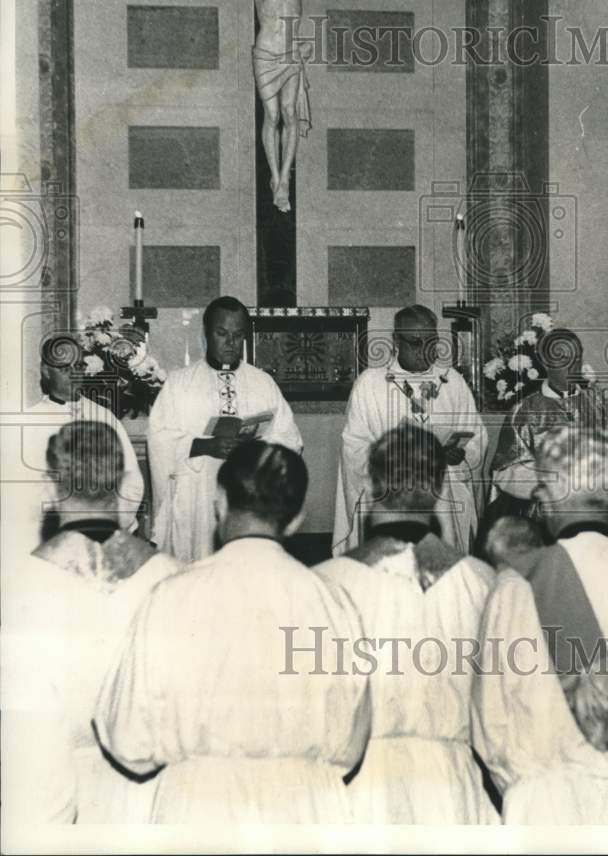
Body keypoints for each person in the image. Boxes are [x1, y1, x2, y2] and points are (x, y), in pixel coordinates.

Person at [94, 441, 370, 823]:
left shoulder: (172, 594)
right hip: (304, 807)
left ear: (219, 503)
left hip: (199, 807)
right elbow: (350, 744)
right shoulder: (332, 601)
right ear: (297, 519)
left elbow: (129, 737)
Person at [472, 428, 608, 825]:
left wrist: (530, 789)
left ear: (549, 495)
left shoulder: (517, 584)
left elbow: (491, 722)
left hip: (547, 806)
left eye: (541, 484)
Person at [317, 423, 498, 824]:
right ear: (437, 486)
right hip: (453, 788)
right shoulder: (481, 581)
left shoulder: (327, 583)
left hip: (359, 790)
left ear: (372, 482)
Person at [3, 422, 179, 827]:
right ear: (119, 480)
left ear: (51, 486)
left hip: (64, 802)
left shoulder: (25, 586)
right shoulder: (168, 575)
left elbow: (33, 740)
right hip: (155, 803)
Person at [159, 0, 391, 212]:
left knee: (290, 113)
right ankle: (275, 174)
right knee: (272, 115)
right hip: (266, 57)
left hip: (291, 56)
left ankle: (284, 182)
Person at [148, 296, 302, 563]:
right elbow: (159, 440)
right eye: (222, 334)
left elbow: (291, 440)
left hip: (251, 500)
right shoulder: (179, 383)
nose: (231, 343)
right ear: (207, 334)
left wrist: (256, 448)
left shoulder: (262, 382)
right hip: (198, 497)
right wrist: (204, 445)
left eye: (238, 335)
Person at [333, 304, 487, 556]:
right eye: (415, 342)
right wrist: (394, 457)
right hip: (388, 494)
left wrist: (460, 456)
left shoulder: (453, 382)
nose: (425, 351)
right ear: (395, 341)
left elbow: (476, 438)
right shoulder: (370, 384)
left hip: (442, 496)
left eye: (431, 342)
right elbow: (354, 447)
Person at [486, 328, 608, 547]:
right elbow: (505, 471)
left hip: (596, 512)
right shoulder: (525, 410)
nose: (573, 366)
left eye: (577, 357)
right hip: (544, 517)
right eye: (563, 359)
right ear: (545, 363)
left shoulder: (601, 406)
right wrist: (553, 479)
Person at [14, 333, 144, 557]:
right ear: (46, 371)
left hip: (102, 539)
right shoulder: (26, 424)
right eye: (65, 368)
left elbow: (131, 481)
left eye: (79, 366)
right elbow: (18, 491)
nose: (75, 374)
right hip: (45, 543)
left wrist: (107, 526)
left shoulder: (104, 417)